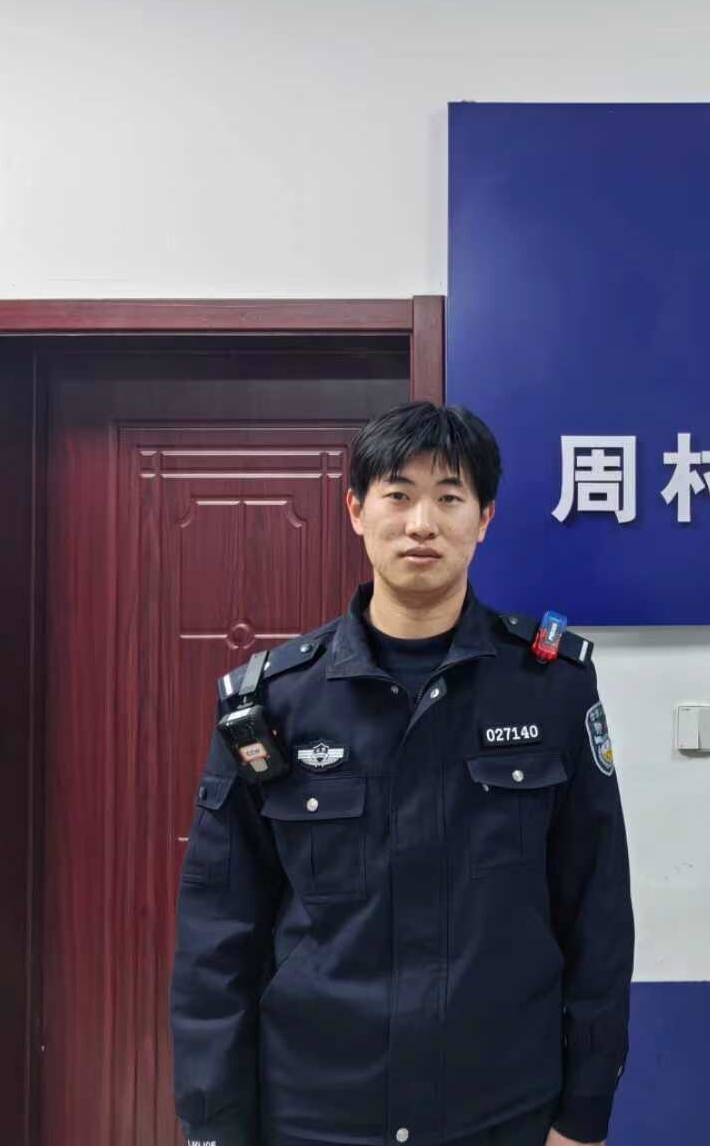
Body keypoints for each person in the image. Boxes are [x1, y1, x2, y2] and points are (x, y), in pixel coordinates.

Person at [171, 401, 633, 1146]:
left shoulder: (550, 689)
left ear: (483, 519)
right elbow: (218, 932)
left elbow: (596, 909)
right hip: (318, 1113)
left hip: (501, 1108)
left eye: (449, 497)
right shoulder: (275, 702)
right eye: (398, 494)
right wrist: (214, 1126)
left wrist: (584, 1111)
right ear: (356, 510)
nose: (422, 523)